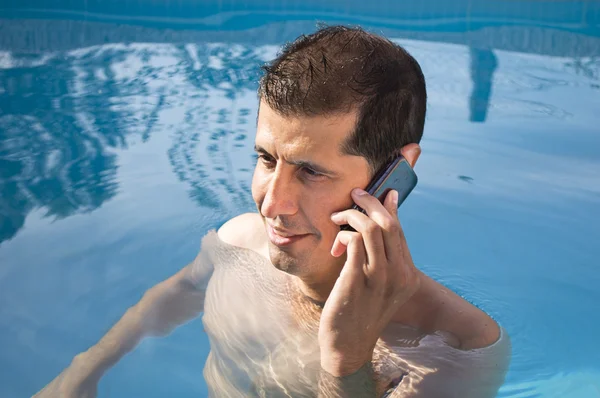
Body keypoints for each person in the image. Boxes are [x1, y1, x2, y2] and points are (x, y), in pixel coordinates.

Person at [35, 25, 510, 398]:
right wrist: (83, 372)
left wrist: (347, 361)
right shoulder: (238, 243)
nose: (271, 203)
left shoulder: (456, 347)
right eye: (266, 159)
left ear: (395, 172)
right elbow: (173, 297)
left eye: (310, 172)